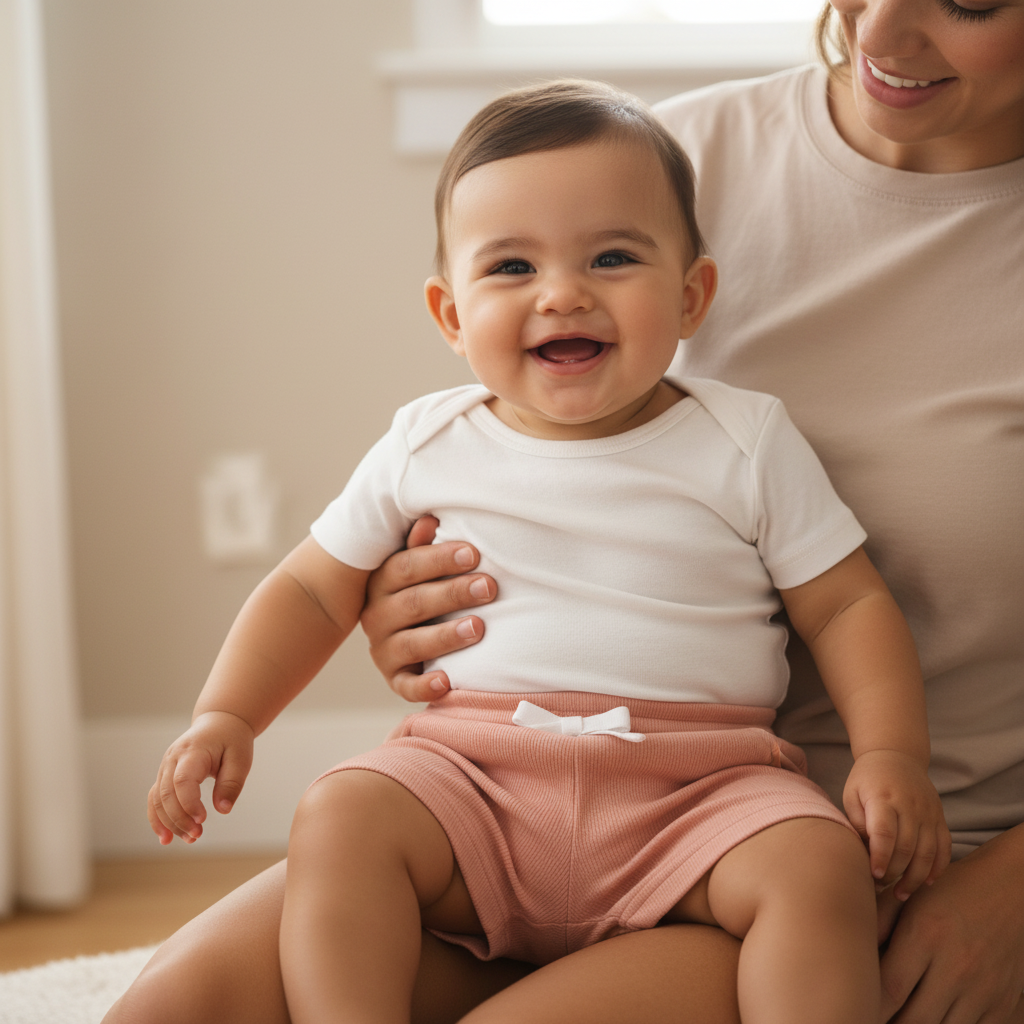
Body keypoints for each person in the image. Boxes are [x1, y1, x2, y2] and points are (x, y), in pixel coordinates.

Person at [104, 2, 1023, 1022]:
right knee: (286, 875)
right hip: (482, 778)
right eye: (512, 269)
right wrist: (241, 706)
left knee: (813, 872)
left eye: (612, 263)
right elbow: (313, 584)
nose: (562, 295)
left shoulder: (745, 438)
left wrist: (894, 761)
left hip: (713, 792)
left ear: (691, 296)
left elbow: (846, 606)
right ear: (449, 316)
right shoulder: (650, 171)